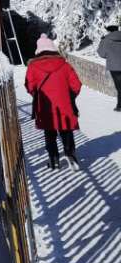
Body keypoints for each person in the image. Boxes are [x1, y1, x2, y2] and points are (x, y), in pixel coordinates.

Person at [26, 34, 82, 170]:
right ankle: (71, 156)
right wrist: (70, 97)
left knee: (49, 133)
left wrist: (37, 95)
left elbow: (29, 86)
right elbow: (76, 84)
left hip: (45, 106)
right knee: (66, 130)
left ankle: (54, 160)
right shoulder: (64, 64)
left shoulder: (33, 66)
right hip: (64, 105)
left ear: (38, 49)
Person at [96, 24, 121, 111]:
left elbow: (101, 53)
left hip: (114, 67)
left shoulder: (106, 40)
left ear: (109, 31)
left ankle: (120, 106)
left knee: (119, 87)